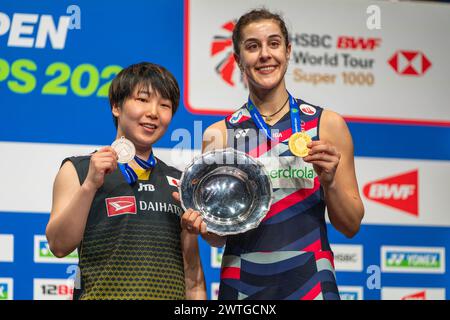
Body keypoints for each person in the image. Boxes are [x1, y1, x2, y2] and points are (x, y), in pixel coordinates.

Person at [174, 9, 365, 300]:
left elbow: (350, 226)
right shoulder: (220, 134)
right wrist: (200, 224)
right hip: (242, 283)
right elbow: (216, 237)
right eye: (253, 46)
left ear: (288, 51)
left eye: (274, 44)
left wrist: (330, 182)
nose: (265, 54)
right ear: (238, 60)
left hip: (311, 279)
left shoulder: (327, 125)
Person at [46, 62, 206, 300]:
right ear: (116, 107)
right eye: (142, 100)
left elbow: (193, 278)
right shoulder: (78, 169)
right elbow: (59, 245)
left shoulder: (179, 182)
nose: (153, 112)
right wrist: (90, 185)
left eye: (164, 105)